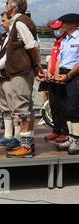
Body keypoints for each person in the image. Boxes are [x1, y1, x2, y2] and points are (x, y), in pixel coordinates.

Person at [4, 0, 44, 158]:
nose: (5, 6)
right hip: (21, 70)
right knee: (25, 107)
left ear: (13, 6)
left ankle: (26, 146)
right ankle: (28, 143)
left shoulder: (20, 22)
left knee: (22, 108)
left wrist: (36, 65)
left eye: (7, 3)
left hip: (21, 71)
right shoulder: (21, 22)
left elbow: (32, 45)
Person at [0, 12, 21, 148]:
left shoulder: (15, 37)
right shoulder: (5, 37)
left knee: (14, 107)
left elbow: (6, 58)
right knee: (5, 108)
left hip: (10, 76)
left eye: (3, 21)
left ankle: (17, 137)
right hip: (1, 76)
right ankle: (8, 135)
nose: (2, 23)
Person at [56, 13, 79, 155]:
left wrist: (69, 75)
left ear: (72, 24)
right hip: (64, 75)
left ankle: (77, 139)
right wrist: (58, 73)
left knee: (74, 107)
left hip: (74, 75)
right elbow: (60, 58)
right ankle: (71, 137)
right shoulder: (64, 40)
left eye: (64, 22)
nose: (62, 25)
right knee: (67, 108)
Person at [44, 20, 69, 143]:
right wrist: (49, 72)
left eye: (58, 28)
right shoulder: (57, 42)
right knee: (54, 105)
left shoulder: (67, 42)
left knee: (63, 105)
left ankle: (65, 132)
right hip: (53, 79)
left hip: (62, 78)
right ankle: (56, 130)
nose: (56, 31)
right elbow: (53, 59)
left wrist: (58, 74)